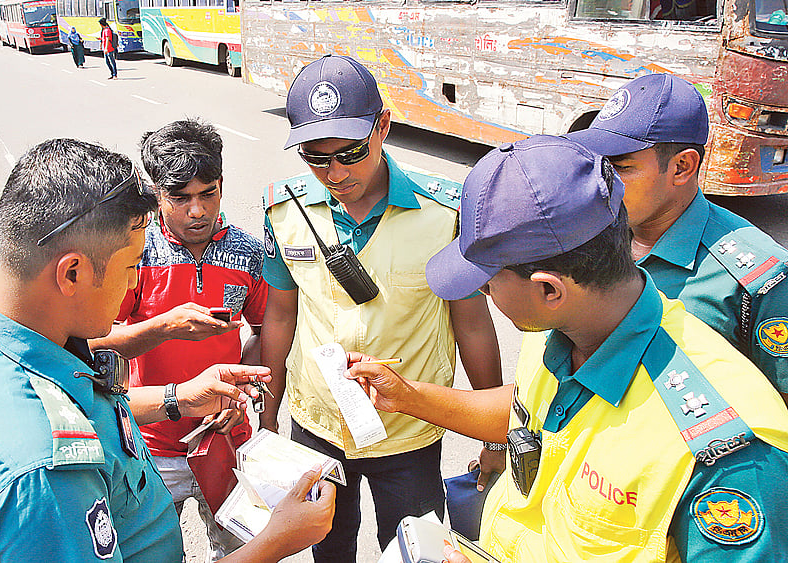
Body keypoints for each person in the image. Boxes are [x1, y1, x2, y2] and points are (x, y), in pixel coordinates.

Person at [348, 135, 788, 561]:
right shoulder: (556, 327)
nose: (483, 294)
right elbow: (531, 413)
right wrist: (407, 397)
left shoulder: (729, 455)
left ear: (550, 289)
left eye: (487, 282)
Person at [0, 138, 335, 563]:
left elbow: (90, 404)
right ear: (72, 272)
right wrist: (276, 542)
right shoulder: (45, 479)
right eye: (129, 268)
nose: (131, 286)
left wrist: (178, 398)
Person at [260, 54, 503, 562]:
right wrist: (269, 412)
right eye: (315, 156)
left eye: (350, 153)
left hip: (408, 430)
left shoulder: (443, 215)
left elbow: (473, 325)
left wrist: (494, 437)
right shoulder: (284, 213)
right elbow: (281, 317)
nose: (334, 172)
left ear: (384, 126)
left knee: (415, 552)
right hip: (318, 426)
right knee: (327, 547)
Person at [88, 119, 267, 560]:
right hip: (149, 447)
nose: (197, 211)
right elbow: (93, 340)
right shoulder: (135, 253)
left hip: (227, 439)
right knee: (151, 552)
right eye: (180, 198)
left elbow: (265, 330)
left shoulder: (248, 252)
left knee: (238, 548)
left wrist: (242, 392)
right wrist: (163, 327)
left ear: (222, 184)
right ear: (155, 195)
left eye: (208, 193)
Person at [566, 73, 788, 407]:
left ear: (682, 167)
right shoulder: (591, 236)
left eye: (621, 168)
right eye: (599, 165)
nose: (601, 183)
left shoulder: (759, 279)